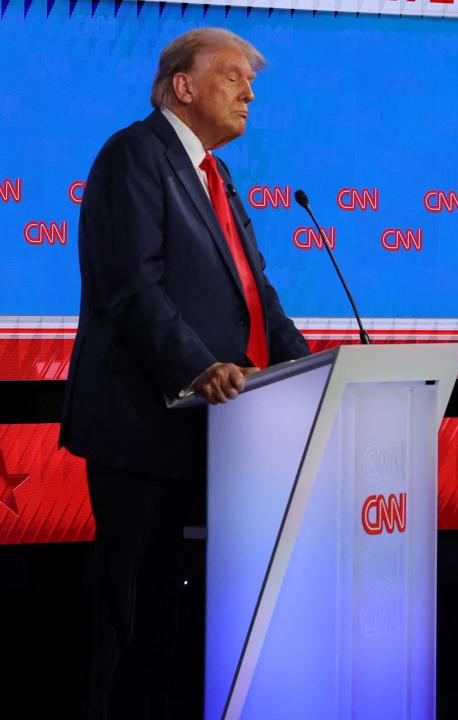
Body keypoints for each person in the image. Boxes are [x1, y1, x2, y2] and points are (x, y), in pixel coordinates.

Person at [59, 28, 311, 718]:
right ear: (183, 86)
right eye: (233, 77)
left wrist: (317, 367)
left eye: (249, 81)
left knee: (178, 625)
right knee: (132, 619)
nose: (249, 92)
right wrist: (199, 365)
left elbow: (256, 296)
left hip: (211, 434)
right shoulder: (133, 156)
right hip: (142, 432)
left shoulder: (214, 174)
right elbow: (131, 288)